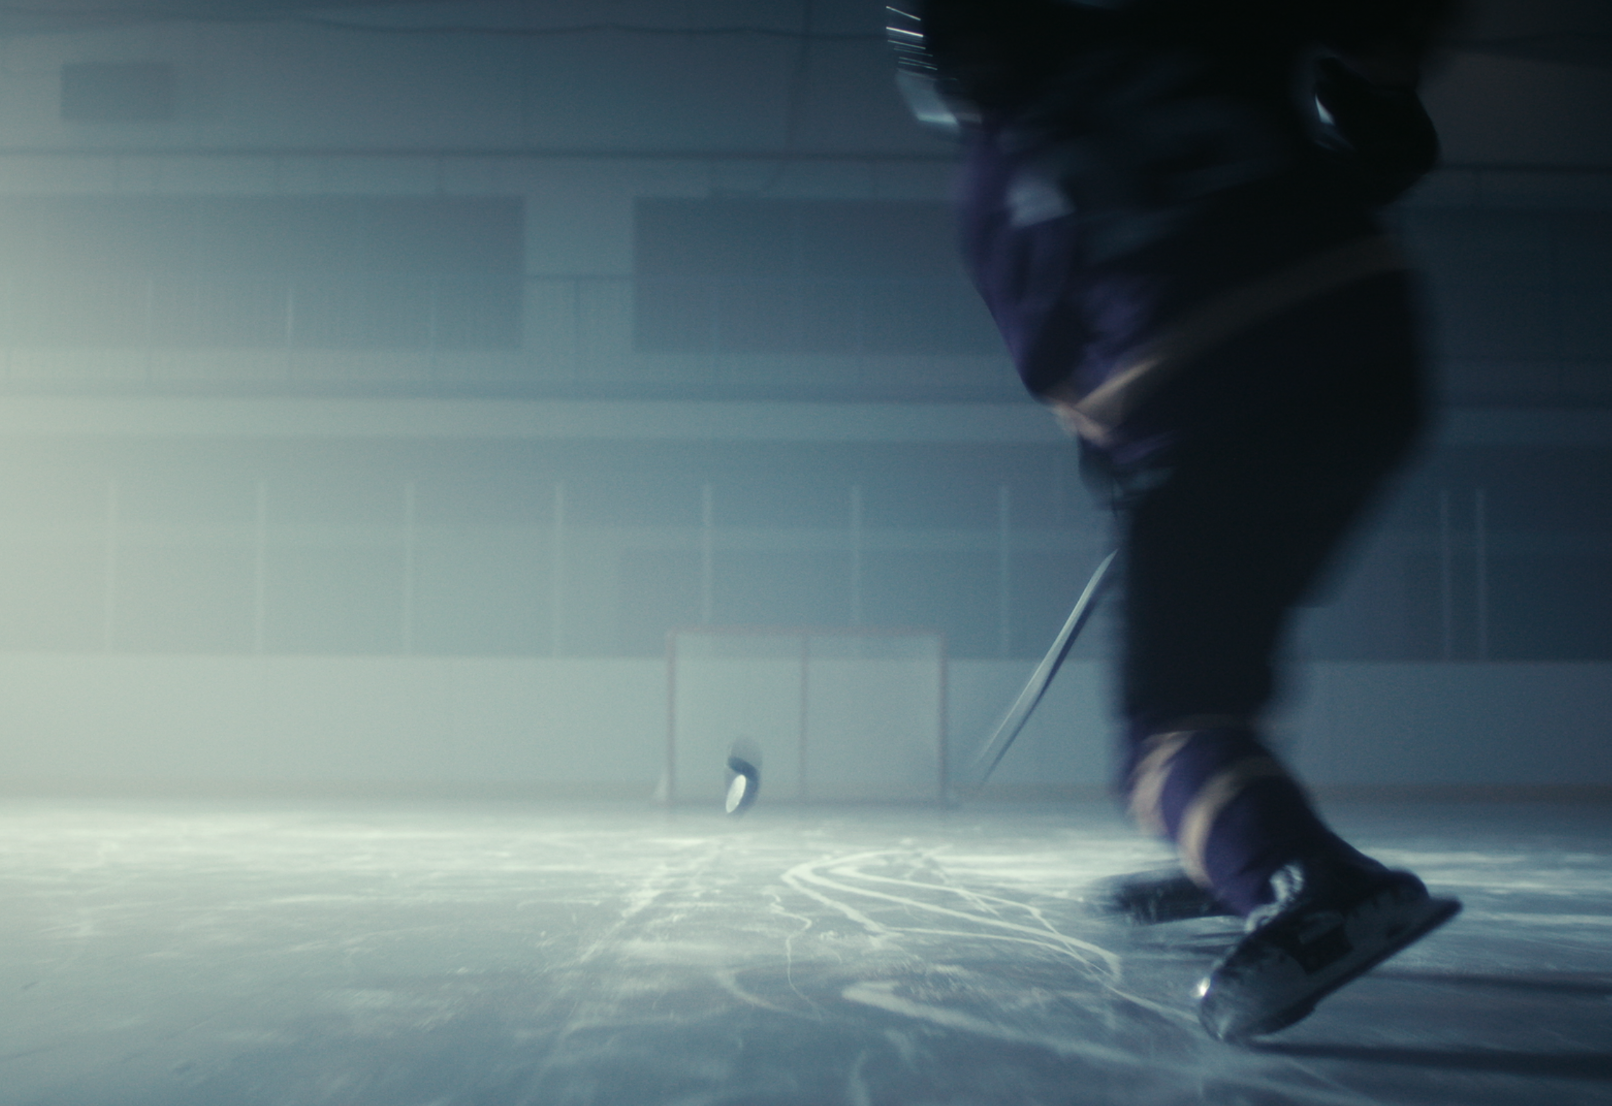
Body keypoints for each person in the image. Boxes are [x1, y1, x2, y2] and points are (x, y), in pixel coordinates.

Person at [889, 0, 1464, 1040]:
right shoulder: (1170, 25)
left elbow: (1070, 379)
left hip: (1208, 393)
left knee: (1167, 726)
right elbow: (1381, 34)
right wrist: (1378, 102)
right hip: (1374, 349)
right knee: (1229, 647)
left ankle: (1304, 875)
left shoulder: (989, 183)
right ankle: (1229, 844)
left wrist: (1126, 466)